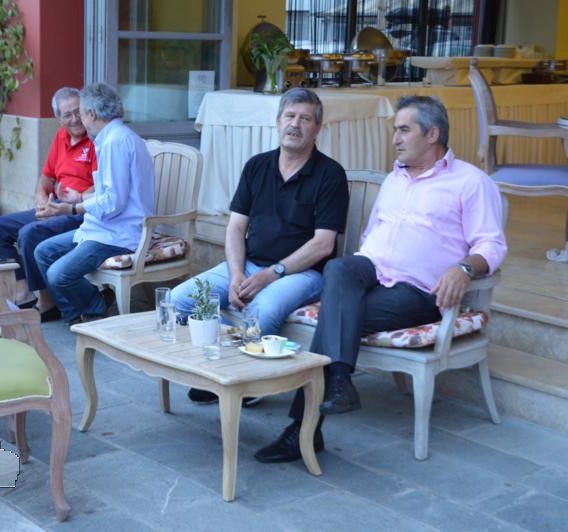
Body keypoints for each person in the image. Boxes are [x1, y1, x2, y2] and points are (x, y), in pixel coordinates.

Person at [255, 95, 508, 463]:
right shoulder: (394, 179)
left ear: (432, 134)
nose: (395, 139)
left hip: (419, 291)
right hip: (370, 274)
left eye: (404, 130)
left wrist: (464, 268)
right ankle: (337, 386)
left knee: (335, 318)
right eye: (395, 130)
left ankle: (305, 427)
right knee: (338, 268)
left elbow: (492, 244)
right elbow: (370, 236)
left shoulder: (471, 182)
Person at [171, 88, 349, 406]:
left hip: (303, 273)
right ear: (278, 122)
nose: (295, 124)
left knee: (261, 311)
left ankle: (247, 383)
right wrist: (237, 274)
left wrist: (271, 274)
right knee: (180, 300)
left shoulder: (330, 174)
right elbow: (236, 228)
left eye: (305, 119)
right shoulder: (257, 166)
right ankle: (219, 369)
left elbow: (323, 244)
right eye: (290, 116)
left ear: (317, 128)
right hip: (251, 264)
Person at [34, 83, 155, 324]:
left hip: (119, 234)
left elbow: (113, 202)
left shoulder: (115, 142)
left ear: (91, 114)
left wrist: (72, 208)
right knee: (43, 252)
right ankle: (79, 315)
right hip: (105, 227)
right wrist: (79, 197)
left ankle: (94, 307)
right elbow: (112, 192)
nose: (79, 119)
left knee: (58, 275)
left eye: (80, 113)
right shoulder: (111, 138)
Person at [0, 87, 96, 313]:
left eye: (78, 111)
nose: (75, 119)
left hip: (80, 211)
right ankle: (23, 292)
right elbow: (46, 178)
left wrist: (75, 199)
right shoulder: (61, 136)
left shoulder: (96, 139)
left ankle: (47, 300)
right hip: (55, 207)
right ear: (58, 119)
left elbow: (103, 187)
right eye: (68, 115)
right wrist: (41, 199)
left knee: (30, 233)